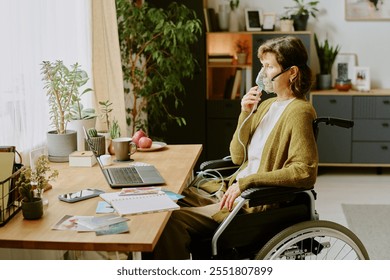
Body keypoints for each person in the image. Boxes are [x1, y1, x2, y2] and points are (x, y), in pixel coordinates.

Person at [145, 36, 318, 259]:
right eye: (263, 66)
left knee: (170, 222)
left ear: (292, 72)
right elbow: (237, 156)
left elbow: (304, 172)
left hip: (249, 203)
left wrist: (246, 183)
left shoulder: (299, 111)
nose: (263, 73)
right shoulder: (266, 105)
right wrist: (245, 112)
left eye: (269, 67)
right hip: (229, 191)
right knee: (165, 198)